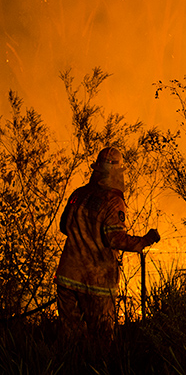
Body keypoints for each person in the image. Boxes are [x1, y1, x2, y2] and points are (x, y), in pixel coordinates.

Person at [54, 147, 160, 351]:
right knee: (101, 340)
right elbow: (116, 239)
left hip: (67, 277)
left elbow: (63, 226)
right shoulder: (113, 201)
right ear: (117, 172)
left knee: (70, 338)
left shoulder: (79, 194)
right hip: (97, 284)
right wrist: (145, 240)